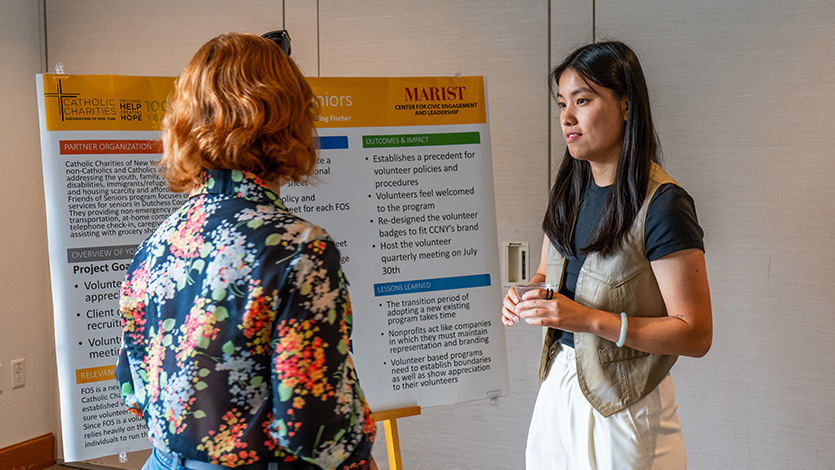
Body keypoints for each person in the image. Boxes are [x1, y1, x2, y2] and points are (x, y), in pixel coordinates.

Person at [115, 32, 376, 470]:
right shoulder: (298, 248)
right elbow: (312, 424)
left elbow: (131, 385)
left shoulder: (159, 242)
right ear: (290, 118)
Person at [502, 41, 712, 469]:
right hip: (559, 382)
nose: (567, 117)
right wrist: (526, 293)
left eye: (582, 100)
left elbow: (695, 333)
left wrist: (588, 320)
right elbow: (549, 274)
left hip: (624, 400)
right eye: (562, 103)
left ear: (626, 106)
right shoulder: (569, 190)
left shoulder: (663, 203)